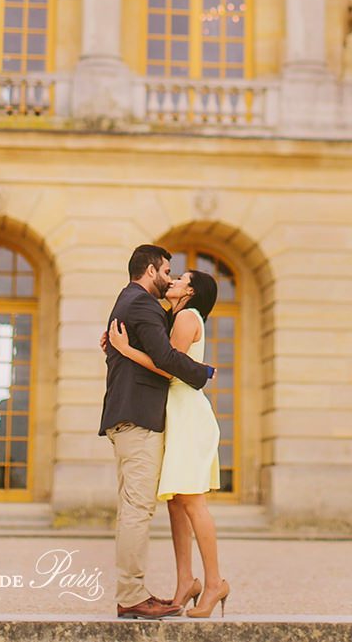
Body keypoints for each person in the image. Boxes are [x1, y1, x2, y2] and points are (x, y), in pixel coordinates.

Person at [98, 245, 215, 620]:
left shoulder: (136, 303)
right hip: (142, 418)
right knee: (140, 508)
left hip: (154, 416)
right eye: (168, 271)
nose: (171, 277)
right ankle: (132, 595)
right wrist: (203, 373)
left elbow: (158, 352)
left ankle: (196, 582)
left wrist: (120, 347)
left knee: (174, 502)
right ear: (151, 270)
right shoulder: (144, 306)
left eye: (177, 276)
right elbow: (166, 362)